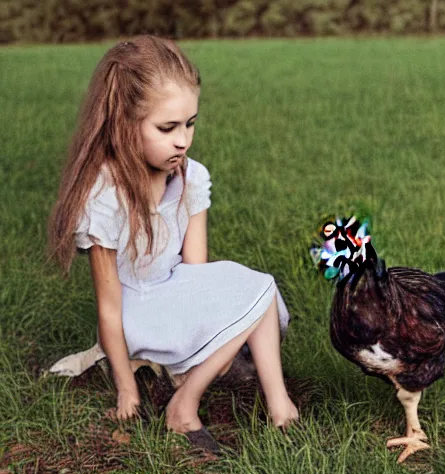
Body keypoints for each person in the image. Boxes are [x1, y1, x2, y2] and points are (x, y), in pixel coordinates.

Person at [47, 35, 298, 452]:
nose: (183, 140)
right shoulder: (105, 197)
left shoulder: (189, 176)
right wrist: (126, 391)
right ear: (124, 124)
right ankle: (185, 406)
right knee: (255, 294)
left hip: (174, 290)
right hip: (136, 311)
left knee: (257, 289)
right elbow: (109, 310)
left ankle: (279, 406)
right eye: (167, 128)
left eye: (190, 123)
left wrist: (214, 321)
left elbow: (196, 269)